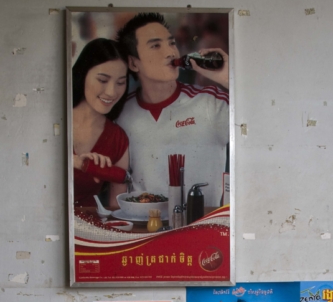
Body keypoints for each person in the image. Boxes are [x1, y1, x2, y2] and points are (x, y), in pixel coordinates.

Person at [116, 13, 229, 209]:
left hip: (200, 223)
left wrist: (228, 79)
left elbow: (264, 128)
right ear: (133, 63)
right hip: (143, 224)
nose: (170, 52)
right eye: (155, 46)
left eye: (171, 43)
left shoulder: (211, 102)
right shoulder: (120, 112)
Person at [72, 38, 130, 209]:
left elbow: (117, 208)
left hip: (89, 223)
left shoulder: (117, 138)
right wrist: (75, 162)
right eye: (103, 80)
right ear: (83, 74)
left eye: (120, 83)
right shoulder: (52, 121)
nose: (112, 92)